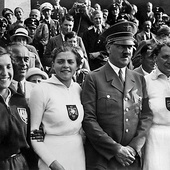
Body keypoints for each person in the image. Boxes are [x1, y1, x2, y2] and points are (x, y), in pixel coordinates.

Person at [81, 20, 153, 170]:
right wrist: (116, 149)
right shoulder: (93, 78)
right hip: (103, 159)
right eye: (121, 46)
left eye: (130, 47)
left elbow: (146, 116)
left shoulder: (139, 79)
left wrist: (134, 147)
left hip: (131, 160)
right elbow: (88, 120)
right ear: (108, 48)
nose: (126, 51)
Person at [29, 45, 85, 170]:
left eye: (70, 62)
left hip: (77, 154)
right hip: (52, 155)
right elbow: (34, 132)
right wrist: (52, 163)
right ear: (53, 64)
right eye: (60, 62)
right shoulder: (41, 89)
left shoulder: (78, 89)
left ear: (77, 65)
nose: (65, 65)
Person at [0, 46, 30, 170]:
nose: (5, 73)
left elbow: (28, 141)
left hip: (21, 164)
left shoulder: (19, 100)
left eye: (8, 66)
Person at [143, 42, 170, 170]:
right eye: (165, 57)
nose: (169, 61)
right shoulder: (146, 82)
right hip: (155, 140)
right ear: (155, 58)